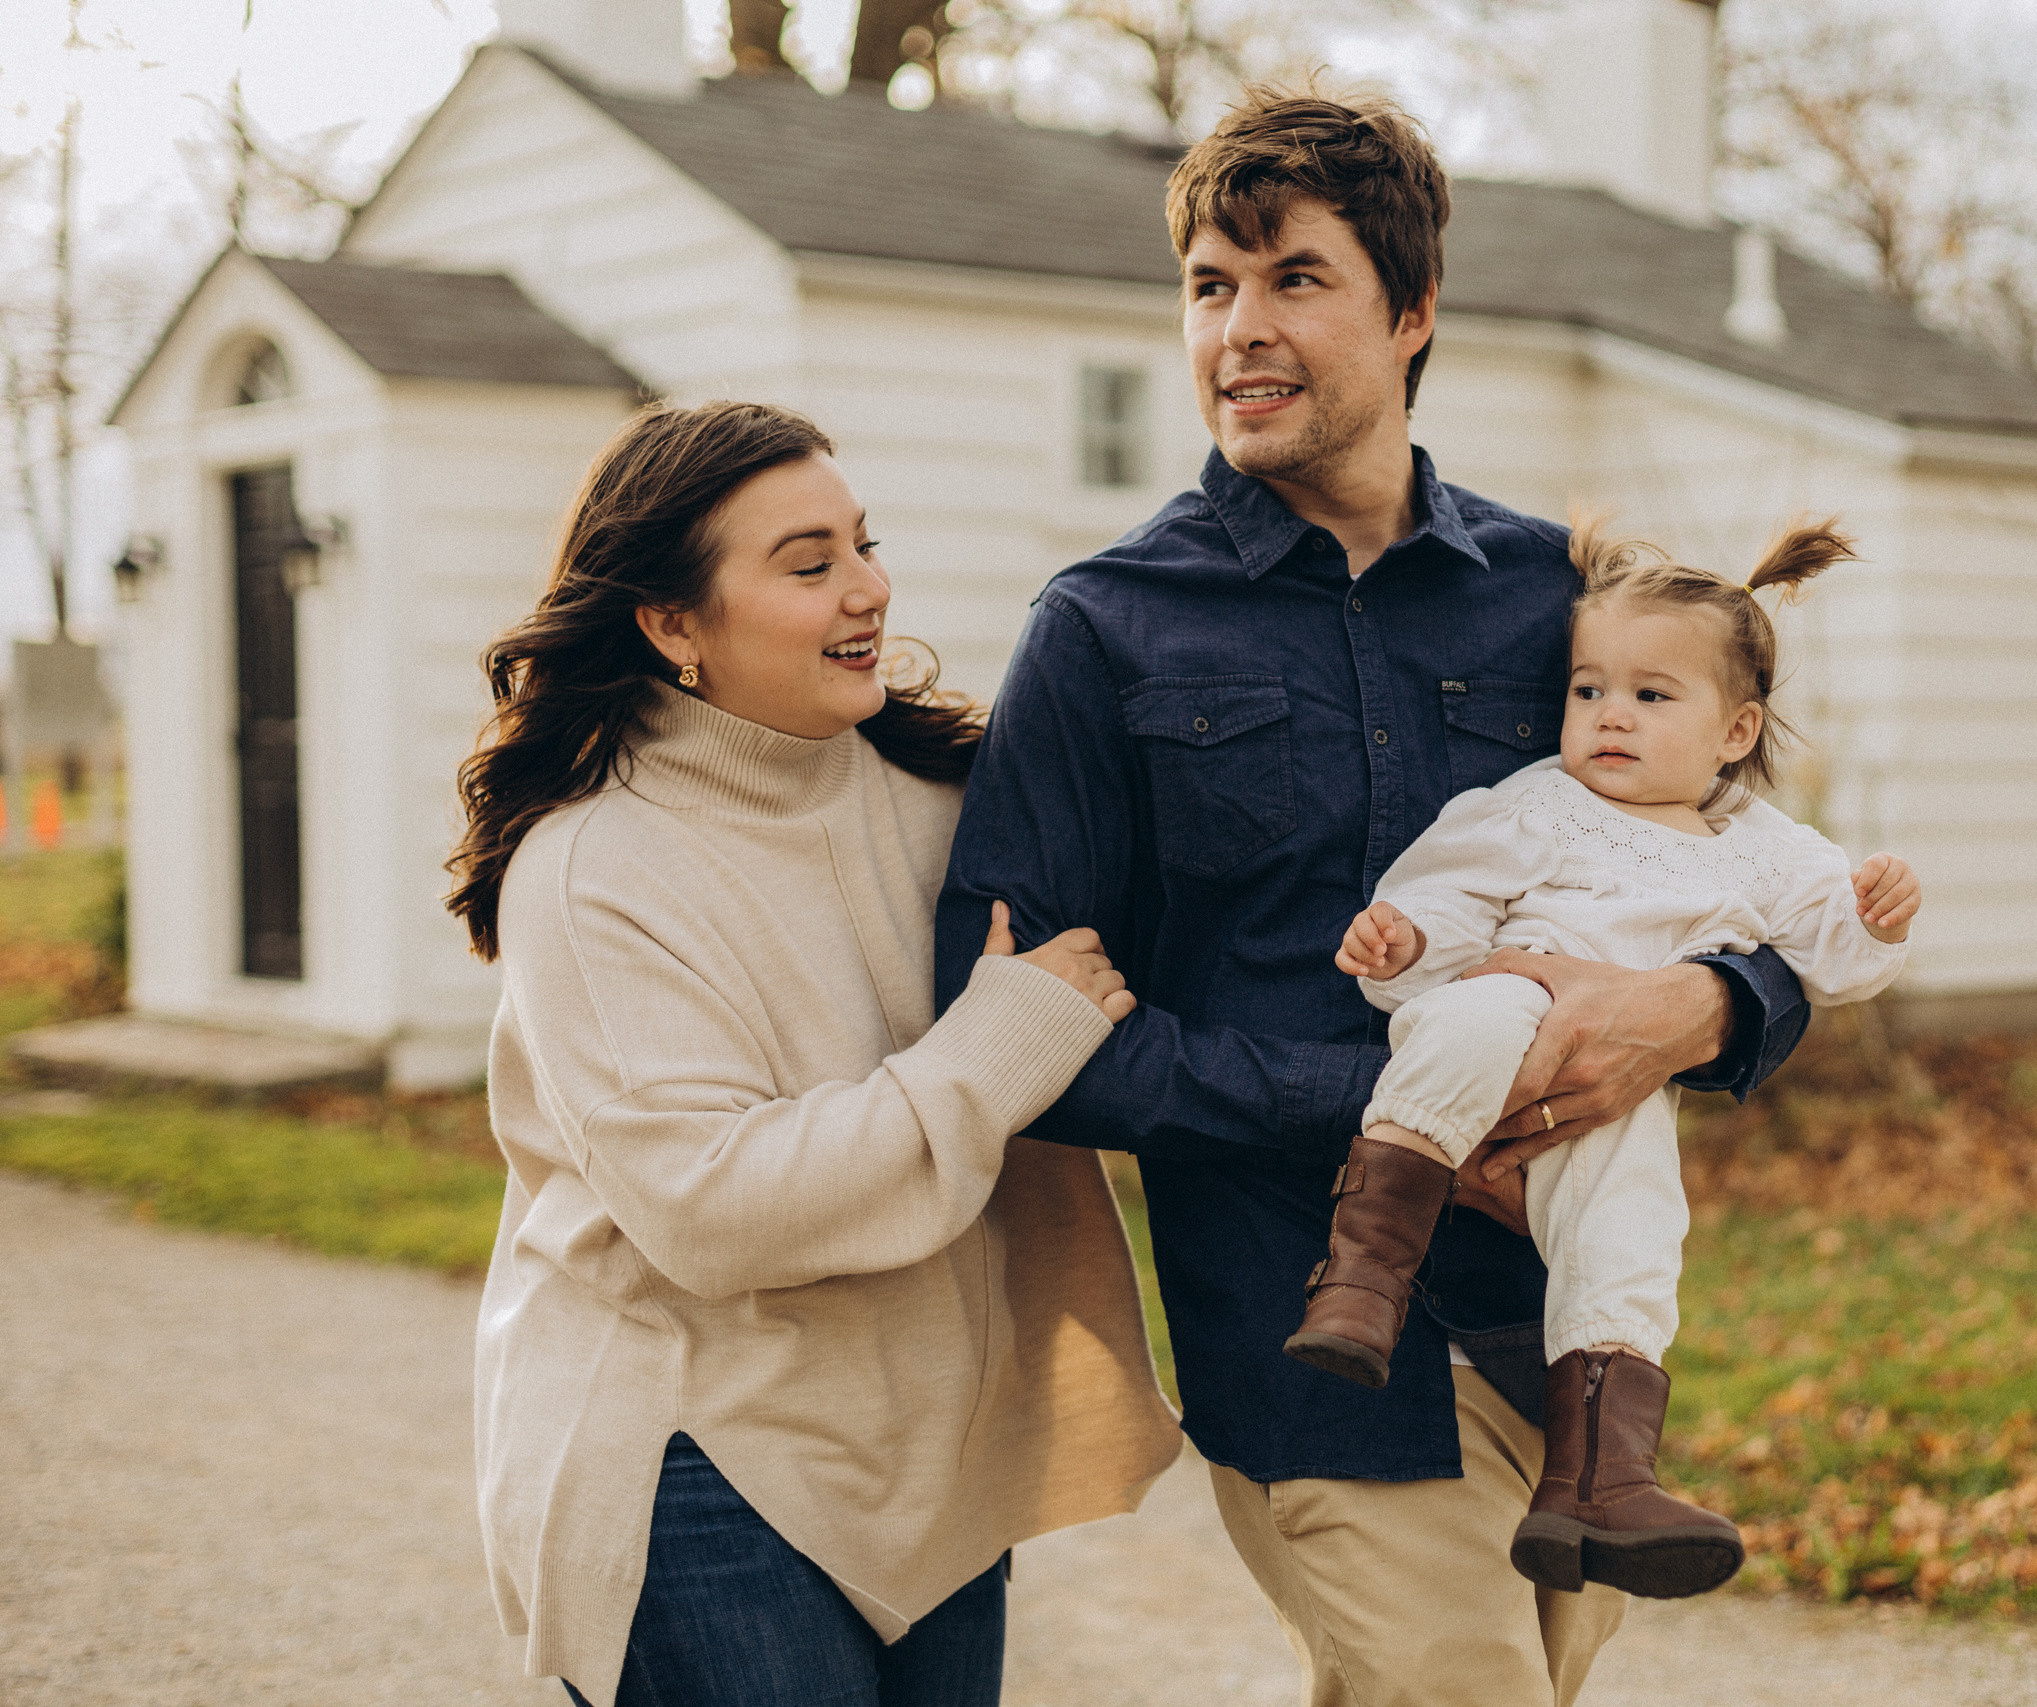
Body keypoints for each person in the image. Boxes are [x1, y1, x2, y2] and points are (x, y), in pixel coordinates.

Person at [933, 88, 1810, 1706]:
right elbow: (1015, 1025)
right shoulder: (1106, 629)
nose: (1239, 331)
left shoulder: (1558, 596)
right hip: (1301, 1333)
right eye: (1210, 285)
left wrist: (1700, 1007)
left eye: (1293, 280)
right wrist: (1393, 1106)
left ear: (1412, 314)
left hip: (1564, 1334)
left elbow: (1745, 877)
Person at [447, 400, 1181, 1707]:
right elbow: (711, 1209)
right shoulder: (589, 870)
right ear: (672, 624)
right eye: (807, 562)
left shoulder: (949, 799)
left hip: (935, 1457)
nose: (868, 587)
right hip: (696, 1467)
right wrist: (997, 1043)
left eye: (863, 543)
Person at [1306, 517, 1922, 1599]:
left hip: (1613, 1096)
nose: (1608, 717)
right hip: (1508, 1003)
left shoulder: (1763, 847)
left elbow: (1831, 951)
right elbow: (1446, 893)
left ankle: (1598, 1477)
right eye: (1589, 690)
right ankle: (1363, 1275)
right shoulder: (1535, 802)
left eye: (1650, 695)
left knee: (1632, 1225)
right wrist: (1402, 938)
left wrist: (1873, 914)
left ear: (1734, 732)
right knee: (1474, 1019)